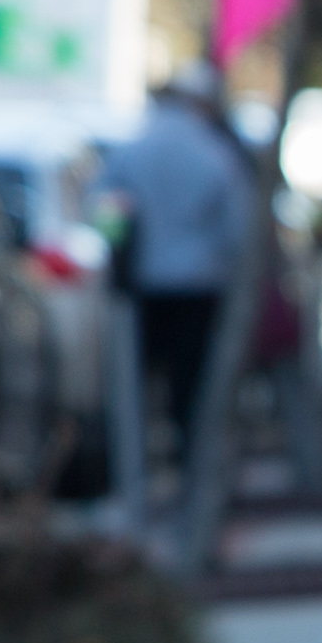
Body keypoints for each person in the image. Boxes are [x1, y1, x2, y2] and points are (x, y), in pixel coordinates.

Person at [104, 67, 256, 492]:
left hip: (141, 288)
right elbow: (238, 229)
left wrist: (123, 253)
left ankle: (141, 473)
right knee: (193, 391)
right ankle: (193, 474)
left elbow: (103, 211)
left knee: (138, 387)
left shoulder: (131, 151)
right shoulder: (213, 152)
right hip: (200, 286)